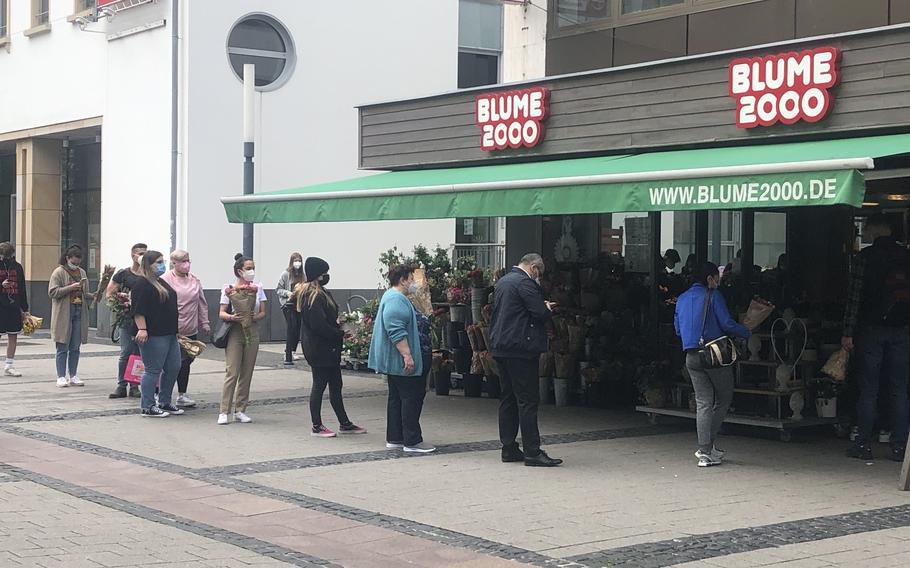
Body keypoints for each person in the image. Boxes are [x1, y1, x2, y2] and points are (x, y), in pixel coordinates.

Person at [843, 214, 910, 462]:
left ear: (880, 229)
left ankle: (863, 444)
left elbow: (854, 298)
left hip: (871, 328)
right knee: (899, 389)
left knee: (869, 389)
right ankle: (900, 446)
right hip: (902, 328)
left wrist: (847, 332)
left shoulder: (865, 258)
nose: (866, 232)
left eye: (868, 228)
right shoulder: (906, 256)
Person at [675, 262, 751, 467]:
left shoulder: (681, 299)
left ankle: (706, 449)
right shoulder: (713, 295)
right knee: (724, 398)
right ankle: (706, 448)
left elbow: (678, 331)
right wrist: (746, 331)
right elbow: (726, 323)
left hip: (691, 356)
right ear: (709, 279)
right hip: (714, 355)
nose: (718, 282)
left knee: (703, 402)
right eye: (716, 278)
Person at [490, 253, 562, 467]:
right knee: (528, 400)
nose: (537, 277)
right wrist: (547, 307)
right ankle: (532, 451)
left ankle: (508, 447)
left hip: (501, 347)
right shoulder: (524, 283)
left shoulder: (503, 282)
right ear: (533, 268)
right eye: (538, 273)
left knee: (508, 398)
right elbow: (539, 313)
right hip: (521, 348)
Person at [369, 264, 434, 454]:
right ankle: (412, 440)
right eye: (411, 278)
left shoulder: (393, 297)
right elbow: (395, 329)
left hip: (395, 361)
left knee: (397, 398)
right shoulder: (396, 299)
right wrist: (407, 355)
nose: (414, 282)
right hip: (401, 361)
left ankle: (395, 437)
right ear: (403, 280)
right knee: (410, 398)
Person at [297, 257, 365, 437]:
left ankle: (344, 423)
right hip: (319, 348)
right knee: (319, 384)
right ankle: (316, 426)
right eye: (323, 273)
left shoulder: (323, 293)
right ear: (316, 275)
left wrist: (340, 324)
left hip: (329, 347)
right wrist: (339, 333)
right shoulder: (312, 296)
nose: (326, 276)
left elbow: (329, 317)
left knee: (336, 384)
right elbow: (318, 325)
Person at [131, 251, 183, 418]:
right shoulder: (142, 284)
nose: (163, 265)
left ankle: (165, 401)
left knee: (174, 367)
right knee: (153, 369)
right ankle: (147, 406)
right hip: (153, 334)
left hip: (169, 333)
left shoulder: (160, 281)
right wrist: (142, 329)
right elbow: (138, 310)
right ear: (149, 265)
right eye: (159, 262)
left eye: (163, 261)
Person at [218, 254, 267, 425]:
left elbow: (262, 312)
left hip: (252, 330)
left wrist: (254, 317)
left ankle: (240, 409)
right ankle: (224, 410)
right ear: (240, 271)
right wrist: (232, 317)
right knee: (232, 371)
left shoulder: (257, 288)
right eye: (248, 268)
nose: (251, 271)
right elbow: (221, 312)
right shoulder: (229, 288)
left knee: (247, 371)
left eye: (252, 267)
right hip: (235, 331)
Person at [162, 249, 210, 408]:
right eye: (182, 261)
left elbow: (201, 302)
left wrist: (205, 322)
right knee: (171, 363)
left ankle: (182, 394)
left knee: (186, 362)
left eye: (187, 260)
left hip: (191, 329)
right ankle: (160, 394)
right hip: (172, 329)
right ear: (173, 262)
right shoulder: (166, 279)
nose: (186, 264)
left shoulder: (194, 280)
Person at [105, 243, 147, 399]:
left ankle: (135, 385)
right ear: (132, 255)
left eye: (144, 253)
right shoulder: (123, 274)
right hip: (127, 319)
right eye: (139, 253)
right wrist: (120, 305)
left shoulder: (149, 275)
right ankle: (121, 385)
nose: (142, 256)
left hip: (143, 319)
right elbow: (110, 293)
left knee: (138, 353)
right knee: (126, 352)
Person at [48, 245, 91, 388]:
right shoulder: (58, 272)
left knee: (75, 346)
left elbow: (85, 293)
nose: (76, 265)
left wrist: (94, 295)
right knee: (62, 345)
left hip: (79, 312)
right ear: (67, 258)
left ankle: (73, 375)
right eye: (74, 262)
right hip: (64, 313)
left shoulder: (82, 272)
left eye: (78, 263)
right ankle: (61, 376)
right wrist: (70, 288)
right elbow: (52, 292)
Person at [0, 242, 29, 377]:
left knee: (13, 335)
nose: (5, 258)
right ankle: (8, 364)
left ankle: (9, 365)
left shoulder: (17, 267)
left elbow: (22, 289)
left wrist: (25, 309)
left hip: (14, 306)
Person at [277, 252, 305, 366]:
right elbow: (278, 289)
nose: (297, 263)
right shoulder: (286, 274)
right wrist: (288, 293)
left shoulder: (303, 275)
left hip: (298, 304)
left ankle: (292, 351)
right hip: (288, 305)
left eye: (299, 261)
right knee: (291, 326)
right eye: (295, 261)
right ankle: (287, 352)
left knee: (298, 327)